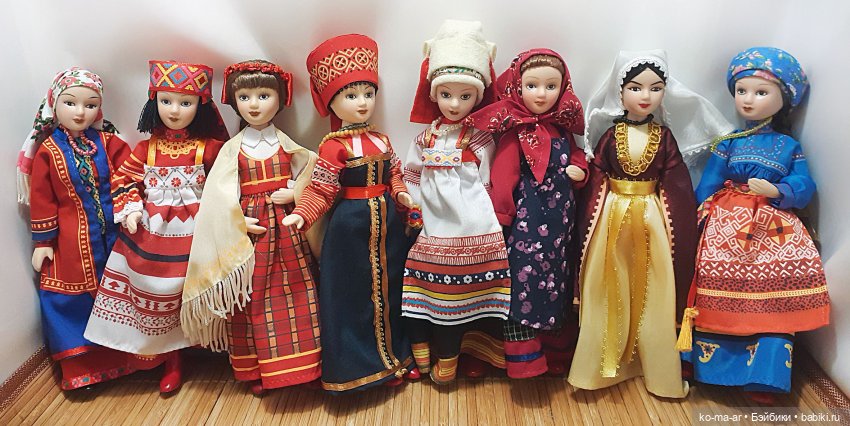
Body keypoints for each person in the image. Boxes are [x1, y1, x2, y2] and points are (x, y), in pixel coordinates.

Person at [680, 47, 830, 404]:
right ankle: (705, 365)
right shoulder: (728, 142)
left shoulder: (789, 146)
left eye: (761, 92)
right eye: (741, 91)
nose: (748, 100)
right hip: (725, 223)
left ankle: (765, 374)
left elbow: (805, 183)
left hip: (772, 225)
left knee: (773, 289)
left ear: (784, 99)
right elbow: (708, 183)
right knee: (712, 280)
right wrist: (692, 219)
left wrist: (779, 190)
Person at [84, 60, 227, 393]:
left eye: (185, 102)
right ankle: (169, 357)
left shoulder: (208, 148)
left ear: (201, 106)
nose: (174, 110)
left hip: (197, 234)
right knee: (156, 291)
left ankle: (209, 347)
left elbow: (226, 181)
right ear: (154, 102)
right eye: (166, 101)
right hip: (152, 235)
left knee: (195, 290)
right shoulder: (146, 149)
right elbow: (124, 180)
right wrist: (132, 209)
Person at [283, 34, 415, 392]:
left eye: (368, 94)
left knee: (391, 290)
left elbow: (395, 174)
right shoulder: (333, 146)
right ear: (332, 102)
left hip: (387, 227)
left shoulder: (383, 140)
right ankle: (362, 367)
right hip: (350, 230)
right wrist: (302, 214)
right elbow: (322, 189)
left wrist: (401, 194)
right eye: (351, 95)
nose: (362, 103)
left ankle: (398, 359)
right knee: (354, 298)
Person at [181, 60, 321, 396]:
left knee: (296, 292)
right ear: (234, 101)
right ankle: (256, 367)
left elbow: (311, 174)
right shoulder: (232, 149)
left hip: (287, 230)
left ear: (281, 99)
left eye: (263, 95)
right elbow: (218, 195)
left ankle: (303, 365)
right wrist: (236, 219)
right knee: (251, 298)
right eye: (244, 97)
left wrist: (295, 192)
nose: (254, 105)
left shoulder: (288, 145)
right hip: (250, 235)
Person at [467, 49, 587, 378]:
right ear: (518, 87)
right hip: (526, 227)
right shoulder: (516, 132)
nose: (541, 94)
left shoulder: (562, 129)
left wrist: (580, 169)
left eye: (551, 86)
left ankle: (556, 351)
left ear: (563, 88)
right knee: (523, 288)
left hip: (559, 230)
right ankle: (525, 360)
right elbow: (503, 176)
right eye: (532, 85)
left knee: (556, 286)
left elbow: (577, 155)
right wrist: (501, 218)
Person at [403, 20, 509, 384]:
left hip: (472, 219)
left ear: (478, 98)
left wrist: (491, 215)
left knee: (470, 288)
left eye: (465, 97)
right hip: (432, 220)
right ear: (434, 94)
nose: (454, 103)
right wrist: (413, 205)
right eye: (446, 94)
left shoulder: (479, 137)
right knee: (427, 283)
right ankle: (427, 352)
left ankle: (464, 354)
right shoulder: (424, 138)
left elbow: (489, 179)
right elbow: (412, 173)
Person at [21, 67, 135, 389]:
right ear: (54, 104)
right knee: (69, 300)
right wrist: (44, 241)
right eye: (70, 103)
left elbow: (129, 176)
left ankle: (128, 360)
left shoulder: (109, 143)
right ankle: (80, 369)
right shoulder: (49, 150)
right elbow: (42, 198)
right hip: (71, 242)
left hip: (116, 237)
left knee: (119, 293)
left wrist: (133, 209)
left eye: (90, 104)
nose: (80, 112)